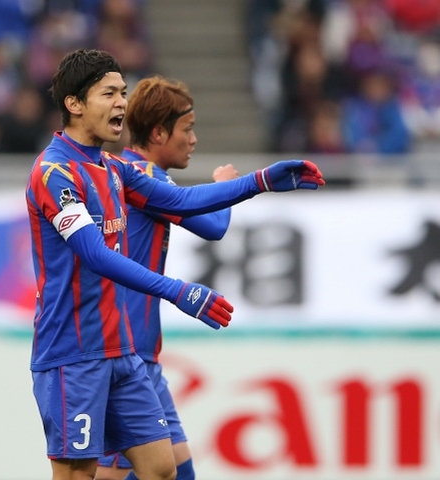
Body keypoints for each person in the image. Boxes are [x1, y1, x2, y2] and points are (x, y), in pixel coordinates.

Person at [25, 48, 324, 480]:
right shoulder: (55, 173)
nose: (121, 103)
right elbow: (94, 254)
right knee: (80, 474)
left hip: (122, 350)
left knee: (162, 469)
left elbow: (181, 200)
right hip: (74, 353)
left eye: (123, 93)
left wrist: (260, 181)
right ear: (74, 104)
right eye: (108, 94)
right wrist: (179, 291)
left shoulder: (112, 168)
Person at [95, 75, 237, 480]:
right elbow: (213, 226)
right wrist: (225, 187)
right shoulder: (144, 178)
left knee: (176, 469)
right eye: (187, 129)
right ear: (158, 133)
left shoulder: (131, 172)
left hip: (143, 357)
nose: (193, 140)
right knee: (112, 474)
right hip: (123, 355)